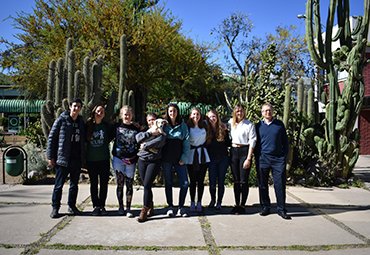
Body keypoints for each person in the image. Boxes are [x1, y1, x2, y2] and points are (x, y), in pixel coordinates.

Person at [48, 98, 85, 218]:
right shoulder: (61, 120)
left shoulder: (81, 121)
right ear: (70, 107)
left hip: (76, 158)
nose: (76, 109)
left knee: (74, 184)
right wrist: (51, 156)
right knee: (59, 185)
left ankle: (72, 206)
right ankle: (55, 207)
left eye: (79, 107)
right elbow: (52, 138)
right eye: (75, 106)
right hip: (63, 158)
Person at [255, 103, 290, 219]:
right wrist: (258, 157)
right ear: (262, 113)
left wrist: (283, 156)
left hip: (277, 159)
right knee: (262, 184)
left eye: (269, 110)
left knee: (279, 185)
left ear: (273, 112)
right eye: (265, 111)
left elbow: (285, 141)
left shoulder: (279, 124)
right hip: (263, 158)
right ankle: (265, 207)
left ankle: (281, 209)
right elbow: (255, 143)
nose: (267, 113)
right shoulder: (258, 126)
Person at [111, 105, 141, 218]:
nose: (127, 116)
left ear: (132, 115)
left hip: (131, 160)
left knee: (129, 184)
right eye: (125, 114)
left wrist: (140, 126)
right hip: (118, 159)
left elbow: (143, 133)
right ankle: (120, 206)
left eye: (129, 114)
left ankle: (129, 208)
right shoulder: (116, 126)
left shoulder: (135, 128)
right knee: (120, 184)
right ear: (121, 115)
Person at [135, 113, 166, 222]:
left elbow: (160, 142)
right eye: (149, 120)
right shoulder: (146, 131)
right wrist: (150, 134)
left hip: (154, 161)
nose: (151, 122)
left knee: (147, 184)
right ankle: (150, 206)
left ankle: (144, 210)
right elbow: (138, 138)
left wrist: (145, 146)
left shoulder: (161, 133)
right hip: (142, 160)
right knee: (146, 185)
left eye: (153, 120)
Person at [161, 103, 190, 217]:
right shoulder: (163, 125)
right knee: (168, 183)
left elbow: (187, 144)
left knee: (185, 183)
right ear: (168, 112)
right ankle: (170, 206)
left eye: (174, 111)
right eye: (170, 111)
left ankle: (181, 207)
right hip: (166, 160)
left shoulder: (183, 126)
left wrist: (184, 158)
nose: (172, 113)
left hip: (179, 160)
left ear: (178, 112)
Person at [228, 104, 256, 215]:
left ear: (244, 112)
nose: (239, 113)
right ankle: (237, 204)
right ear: (234, 112)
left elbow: (252, 141)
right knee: (236, 180)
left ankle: (242, 205)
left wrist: (249, 158)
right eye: (237, 111)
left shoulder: (249, 124)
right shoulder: (231, 123)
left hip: (244, 152)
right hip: (234, 151)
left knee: (244, 180)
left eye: (241, 111)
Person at [85, 104, 112, 216]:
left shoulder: (107, 126)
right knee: (94, 183)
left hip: (104, 159)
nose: (99, 113)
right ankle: (95, 205)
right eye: (97, 111)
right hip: (91, 160)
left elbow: (118, 127)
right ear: (93, 112)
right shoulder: (88, 125)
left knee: (104, 184)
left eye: (101, 112)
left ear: (104, 114)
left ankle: (102, 205)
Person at [206, 109, 231, 210]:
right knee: (212, 182)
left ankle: (219, 202)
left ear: (217, 117)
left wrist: (226, 131)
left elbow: (228, 143)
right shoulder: (206, 130)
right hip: (212, 160)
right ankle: (212, 200)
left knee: (221, 182)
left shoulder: (223, 129)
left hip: (223, 159)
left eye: (213, 116)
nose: (212, 119)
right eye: (209, 117)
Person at [186, 107, 210, 212]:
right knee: (192, 180)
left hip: (203, 156)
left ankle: (199, 202)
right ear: (191, 115)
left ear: (201, 115)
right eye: (194, 114)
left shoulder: (205, 125)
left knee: (200, 180)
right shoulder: (187, 127)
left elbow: (215, 124)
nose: (196, 116)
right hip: (191, 156)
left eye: (198, 114)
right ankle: (192, 202)